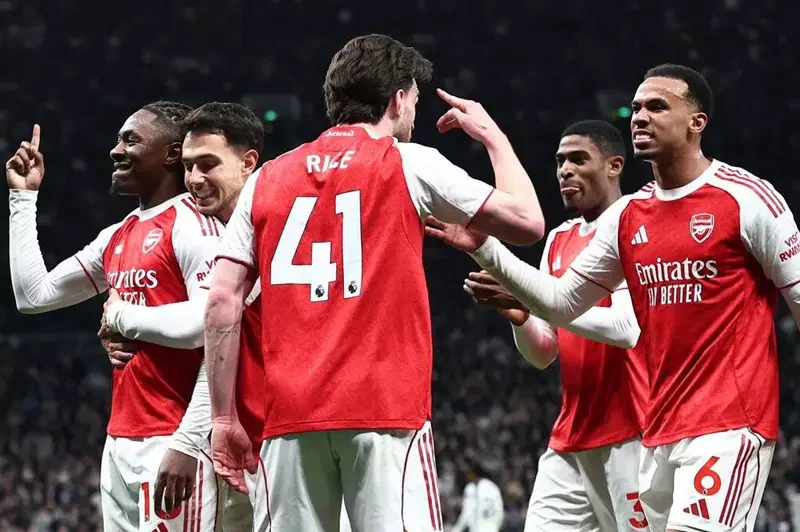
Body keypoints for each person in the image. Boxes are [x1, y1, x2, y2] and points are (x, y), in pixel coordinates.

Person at [427, 64, 800, 532]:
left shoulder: (746, 198)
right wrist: (484, 246)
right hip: (659, 431)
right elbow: (561, 303)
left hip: (728, 425)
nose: (640, 116)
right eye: (637, 107)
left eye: (657, 106)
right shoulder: (629, 216)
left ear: (697, 122)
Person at [203, 33, 545, 531]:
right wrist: (493, 136)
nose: (414, 114)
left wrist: (222, 419)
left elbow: (221, 301)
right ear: (397, 99)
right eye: (415, 100)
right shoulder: (408, 161)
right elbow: (528, 222)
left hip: (289, 418)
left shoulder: (266, 178)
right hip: (385, 412)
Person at [7, 102, 225, 531]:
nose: (116, 150)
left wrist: (121, 316)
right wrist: (23, 198)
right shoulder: (118, 234)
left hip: (175, 437)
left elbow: (208, 326)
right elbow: (34, 296)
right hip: (120, 439)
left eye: (131, 140)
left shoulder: (194, 226)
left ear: (171, 153)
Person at [462, 120, 648, 531]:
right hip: (571, 437)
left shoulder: (637, 222)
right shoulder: (560, 238)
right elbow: (543, 352)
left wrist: (534, 301)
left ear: (614, 166)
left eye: (579, 159)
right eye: (561, 161)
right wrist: (521, 316)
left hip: (634, 432)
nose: (565, 170)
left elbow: (625, 328)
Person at [451, 456, 505, 532]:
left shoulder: (471, 488)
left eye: (468, 473)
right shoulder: (493, 487)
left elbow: (466, 514)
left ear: (473, 473)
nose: (466, 476)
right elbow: (500, 513)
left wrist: (455, 530)